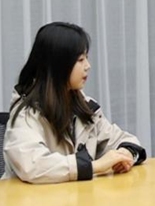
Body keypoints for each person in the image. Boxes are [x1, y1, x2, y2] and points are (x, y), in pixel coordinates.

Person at [1, 22, 146, 184]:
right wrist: (94, 166)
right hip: (32, 205)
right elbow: (33, 166)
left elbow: (120, 138)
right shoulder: (26, 114)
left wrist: (125, 153)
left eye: (87, 58)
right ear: (58, 65)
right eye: (80, 60)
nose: (88, 66)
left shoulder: (85, 107)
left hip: (76, 201)